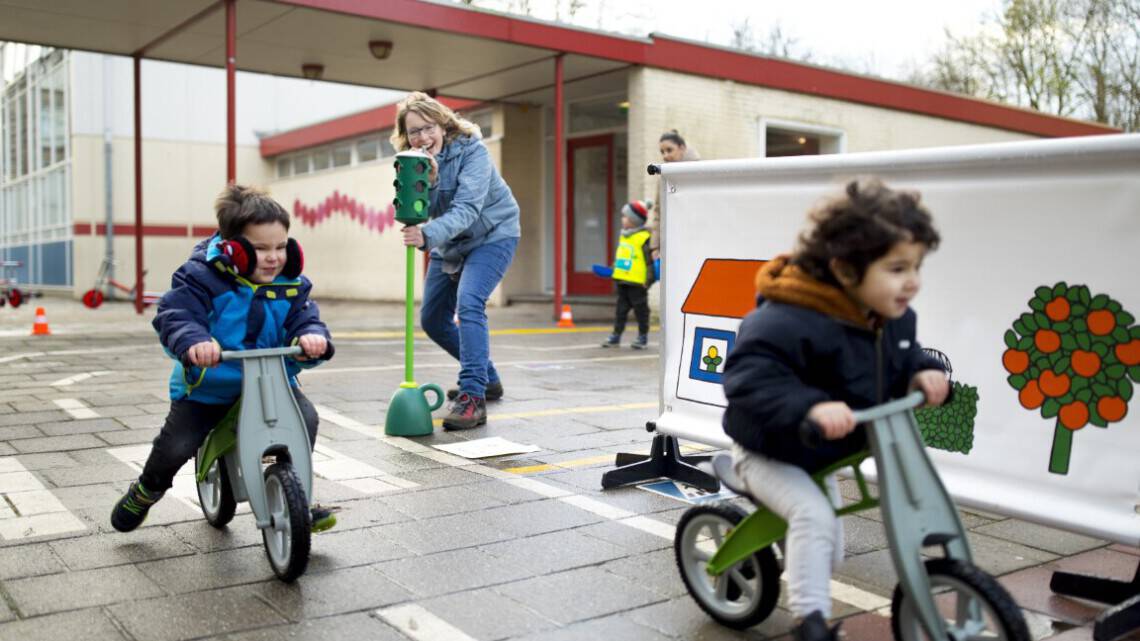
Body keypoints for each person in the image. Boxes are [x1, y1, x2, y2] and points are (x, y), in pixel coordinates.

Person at [721, 179, 950, 641]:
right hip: (770, 450)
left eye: (917, 266)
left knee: (829, 552)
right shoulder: (784, 320)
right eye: (897, 267)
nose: (912, 281)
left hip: (823, 452)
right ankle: (812, 624)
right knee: (815, 520)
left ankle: (804, 572)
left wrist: (923, 370)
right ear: (845, 270)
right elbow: (748, 379)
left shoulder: (892, 315)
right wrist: (812, 405)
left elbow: (902, 355)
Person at [110, 184, 337, 534]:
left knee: (305, 419)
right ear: (235, 250)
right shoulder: (201, 277)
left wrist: (312, 339)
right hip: (211, 387)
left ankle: (293, 495)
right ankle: (146, 490)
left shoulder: (291, 283)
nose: (274, 257)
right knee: (177, 446)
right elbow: (176, 315)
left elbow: (305, 319)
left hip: (271, 382)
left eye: (280, 246)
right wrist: (195, 342)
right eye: (261, 249)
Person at [393, 92, 521, 430]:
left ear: (443, 125)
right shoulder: (415, 161)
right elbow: (423, 209)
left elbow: (467, 209)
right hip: (451, 243)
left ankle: (473, 397)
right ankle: (488, 378)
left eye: (428, 128)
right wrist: (428, 181)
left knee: (469, 303)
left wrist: (426, 235)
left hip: (493, 235)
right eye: (414, 132)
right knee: (433, 319)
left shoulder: (472, 152)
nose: (422, 137)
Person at [601, 200, 655, 349]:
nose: (622, 219)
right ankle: (616, 335)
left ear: (634, 220)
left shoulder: (644, 237)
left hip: (637, 282)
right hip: (622, 280)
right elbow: (622, 257)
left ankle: (642, 336)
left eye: (625, 216)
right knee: (620, 311)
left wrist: (648, 280)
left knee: (641, 311)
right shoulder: (624, 236)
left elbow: (649, 262)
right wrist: (613, 268)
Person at [649, 130, 700, 261]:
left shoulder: (700, 170)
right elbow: (658, 211)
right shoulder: (664, 175)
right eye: (662, 152)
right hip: (671, 243)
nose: (665, 156)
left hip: (696, 240)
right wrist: (655, 246)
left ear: (682, 148)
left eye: (669, 150)